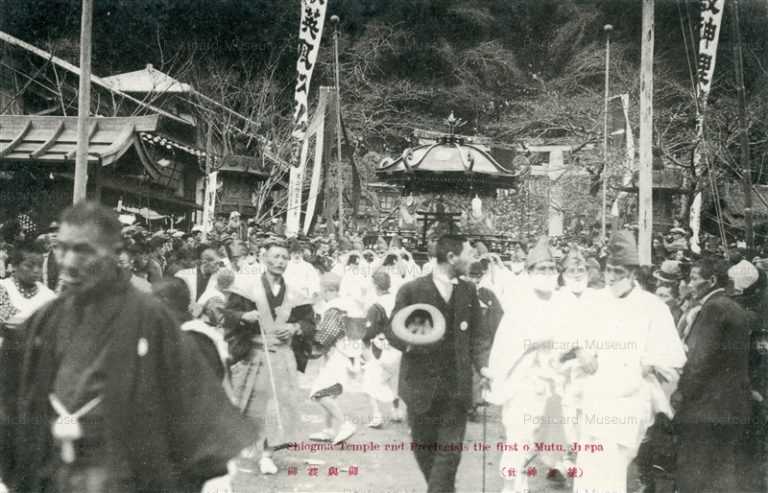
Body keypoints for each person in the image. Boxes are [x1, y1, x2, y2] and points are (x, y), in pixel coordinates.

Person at [0, 201, 255, 493]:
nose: (68, 261)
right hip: (56, 472)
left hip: (124, 473)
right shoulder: (45, 319)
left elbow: (192, 402)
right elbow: (12, 397)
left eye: (83, 250)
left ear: (112, 253)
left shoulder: (151, 317)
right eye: (62, 248)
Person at [575, 231, 686, 493]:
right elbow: (572, 333)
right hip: (596, 396)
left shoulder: (652, 307)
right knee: (589, 463)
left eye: (619, 271)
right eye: (609, 270)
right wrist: (580, 350)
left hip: (629, 401)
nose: (611, 277)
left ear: (633, 273)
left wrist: (650, 362)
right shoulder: (594, 301)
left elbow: (673, 354)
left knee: (612, 466)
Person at [385, 235, 491, 493]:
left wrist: (485, 367)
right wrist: (410, 341)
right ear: (452, 257)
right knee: (424, 449)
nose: (472, 259)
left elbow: (478, 336)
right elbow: (392, 330)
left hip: (457, 389)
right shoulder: (412, 290)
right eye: (468, 253)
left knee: (449, 454)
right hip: (420, 386)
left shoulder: (468, 291)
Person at [486, 237, 578, 492]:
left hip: (556, 379)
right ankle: (514, 484)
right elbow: (506, 346)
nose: (547, 273)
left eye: (551, 268)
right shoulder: (519, 305)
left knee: (553, 436)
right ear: (529, 273)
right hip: (524, 379)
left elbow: (576, 337)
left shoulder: (566, 301)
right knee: (518, 434)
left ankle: (556, 464)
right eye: (541, 269)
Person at [222, 237, 316, 475]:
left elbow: (309, 322)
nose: (280, 261)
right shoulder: (247, 288)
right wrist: (244, 317)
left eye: (284, 257)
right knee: (251, 405)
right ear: (264, 258)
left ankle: (267, 454)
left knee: (278, 406)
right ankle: (246, 446)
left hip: (282, 356)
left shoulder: (296, 293)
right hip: (254, 354)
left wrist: (295, 328)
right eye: (275, 256)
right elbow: (229, 313)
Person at [672, 256, 752, 493]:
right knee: (722, 470)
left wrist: (681, 393)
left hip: (707, 408)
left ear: (712, 280)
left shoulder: (713, 308)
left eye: (695, 278)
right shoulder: (734, 307)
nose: (689, 283)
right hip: (731, 406)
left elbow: (699, 360)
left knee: (694, 472)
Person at [308, 272, 359, 444]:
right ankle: (328, 430)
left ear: (327, 289)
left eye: (321, 289)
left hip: (339, 356)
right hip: (349, 354)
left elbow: (326, 336)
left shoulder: (333, 309)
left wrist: (310, 344)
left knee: (319, 392)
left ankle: (345, 423)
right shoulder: (347, 304)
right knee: (329, 392)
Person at [362, 270, 404, 428]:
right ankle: (396, 411)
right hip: (399, 348)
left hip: (382, 348)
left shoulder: (376, 306)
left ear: (375, 286)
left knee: (368, 382)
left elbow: (368, 332)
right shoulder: (398, 301)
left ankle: (376, 416)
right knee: (394, 382)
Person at [466, 261, 503, 422]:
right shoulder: (461, 293)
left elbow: (497, 315)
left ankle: (474, 405)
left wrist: (495, 336)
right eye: (472, 276)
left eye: (477, 276)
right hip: (466, 336)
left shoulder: (488, 294)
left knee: (479, 371)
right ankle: (467, 403)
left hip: (484, 338)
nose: (474, 280)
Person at [0, 241, 57, 329]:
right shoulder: (3, 287)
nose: (36, 270)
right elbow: (9, 321)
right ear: (15, 265)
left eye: (40, 266)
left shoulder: (48, 295)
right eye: (29, 266)